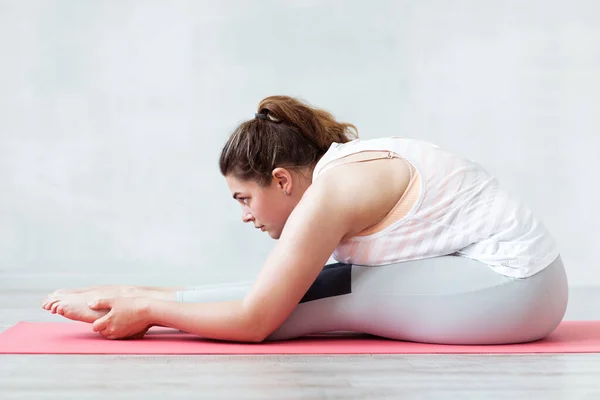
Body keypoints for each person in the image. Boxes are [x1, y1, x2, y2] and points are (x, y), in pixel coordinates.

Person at [42, 95, 568, 344]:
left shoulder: (332, 192)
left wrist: (153, 311)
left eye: (244, 198)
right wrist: (147, 295)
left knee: (330, 295)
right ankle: (140, 296)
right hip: (516, 285)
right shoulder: (340, 171)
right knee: (315, 287)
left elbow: (256, 320)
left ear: (282, 180)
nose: (245, 216)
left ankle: (145, 303)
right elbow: (274, 293)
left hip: (514, 290)